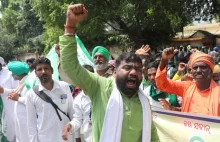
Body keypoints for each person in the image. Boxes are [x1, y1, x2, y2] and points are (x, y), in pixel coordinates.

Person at [60, 4, 159, 142]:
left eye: (138, 69)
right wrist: (70, 25)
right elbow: (70, 67)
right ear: (115, 70)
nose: (133, 72)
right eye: (127, 68)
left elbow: (151, 133)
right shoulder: (99, 86)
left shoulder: (143, 101)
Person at [155, 47, 220, 116]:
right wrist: (164, 60)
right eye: (195, 68)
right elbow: (162, 84)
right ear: (191, 71)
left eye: (203, 67)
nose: (198, 70)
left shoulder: (218, 93)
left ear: (210, 71)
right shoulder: (187, 87)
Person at [26, 57, 74, 142]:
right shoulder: (31, 94)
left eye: (46, 68)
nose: (43, 72)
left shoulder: (64, 87)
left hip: (66, 138)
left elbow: (71, 112)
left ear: (52, 71)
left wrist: (76, 135)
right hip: (45, 138)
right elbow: (31, 124)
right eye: (39, 69)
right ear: (36, 73)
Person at [7, 61, 30, 142]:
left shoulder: (28, 83)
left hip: (26, 120)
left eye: (13, 72)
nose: (12, 74)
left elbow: (32, 101)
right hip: (21, 119)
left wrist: (18, 98)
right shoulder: (22, 82)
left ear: (18, 72)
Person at [0, 57, 19, 142]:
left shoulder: (10, 74)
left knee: (9, 133)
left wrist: (4, 90)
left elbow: (18, 91)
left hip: (8, 110)